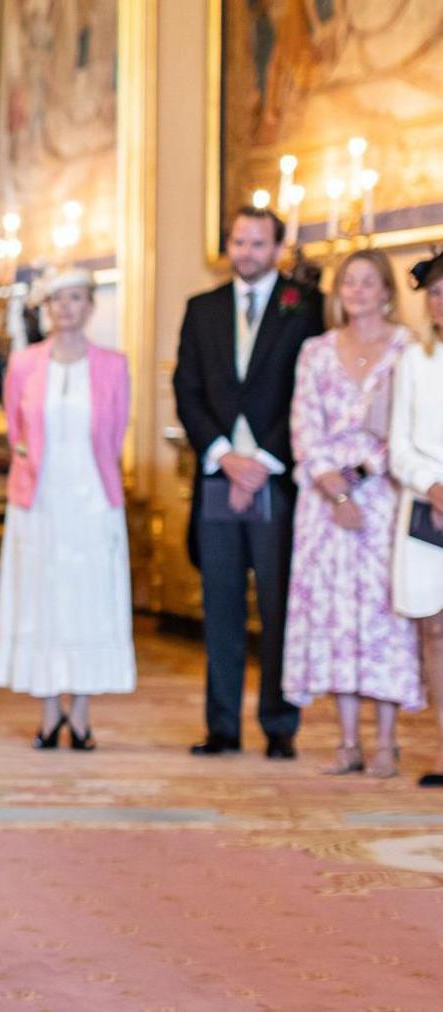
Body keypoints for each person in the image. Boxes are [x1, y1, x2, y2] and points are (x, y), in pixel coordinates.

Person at [171, 206, 325, 759]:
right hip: (218, 475)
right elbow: (187, 390)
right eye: (239, 242)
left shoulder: (305, 308)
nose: (247, 253)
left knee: (280, 605)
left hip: (275, 478)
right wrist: (223, 456)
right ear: (228, 246)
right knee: (222, 604)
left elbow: (307, 395)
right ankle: (222, 726)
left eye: (258, 244)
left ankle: (280, 725)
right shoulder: (201, 309)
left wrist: (260, 459)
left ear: (278, 249)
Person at [283, 249, 423, 778]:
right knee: (337, 616)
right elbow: (304, 426)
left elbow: (412, 427)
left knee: (383, 616)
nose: (358, 292)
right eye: (350, 283)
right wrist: (332, 489)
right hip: (324, 504)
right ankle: (347, 741)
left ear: (387, 290)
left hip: (384, 496)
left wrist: (359, 479)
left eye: (369, 283)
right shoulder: (315, 352)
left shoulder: (407, 349)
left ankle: (387, 741)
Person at [0, 270, 134, 748]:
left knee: (91, 599)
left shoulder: (114, 365)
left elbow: (115, 435)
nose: (66, 308)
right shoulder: (26, 364)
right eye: (57, 300)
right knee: (41, 598)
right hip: (39, 501)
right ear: (47, 308)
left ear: (91, 306)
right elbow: (16, 431)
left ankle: (83, 713)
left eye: (76, 299)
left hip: (92, 500)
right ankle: (49, 713)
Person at [391, 249, 443, 787]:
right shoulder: (414, 359)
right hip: (427, 507)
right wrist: (431, 483)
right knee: (435, 630)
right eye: (434, 292)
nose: (441, 301)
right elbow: (398, 445)